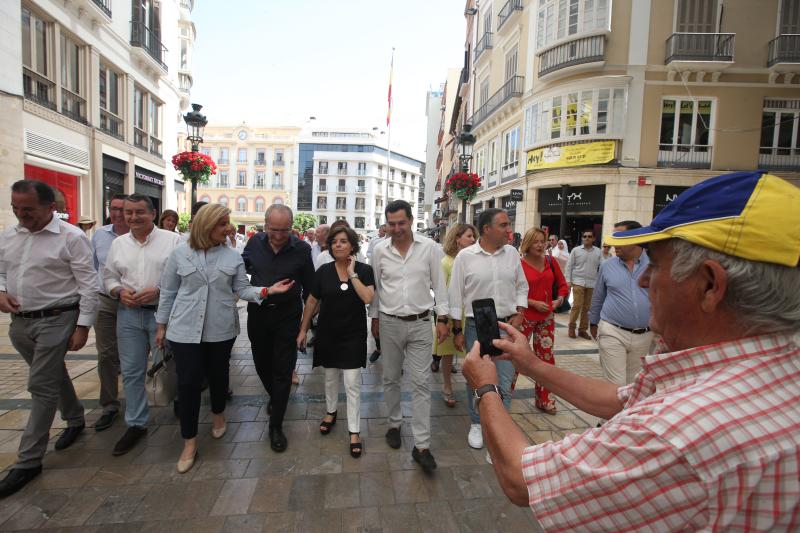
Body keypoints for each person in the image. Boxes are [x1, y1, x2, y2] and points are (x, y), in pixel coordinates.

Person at [460, 170, 800, 531]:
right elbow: (621, 400)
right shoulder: (776, 365)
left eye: (655, 263)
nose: (643, 278)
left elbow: (520, 478)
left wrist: (486, 388)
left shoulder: (677, 429)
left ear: (710, 285)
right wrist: (531, 364)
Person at [155, 204, 292, 473]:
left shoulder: (233, 257)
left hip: (220, 329)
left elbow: (241, 289)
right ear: (207, 225)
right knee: (188, 383)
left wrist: (268, 291)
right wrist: (161, 325)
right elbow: (168, 292)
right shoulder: (180, 254)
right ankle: (189, 441)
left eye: (228, 223)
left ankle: (218, 414)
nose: (228, 228)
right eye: (223, 224)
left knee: (218, 377)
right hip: (184, 330)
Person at [0, 180, 97, 498]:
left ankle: (28, 461)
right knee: (52, 374)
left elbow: (88, 283)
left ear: (50, 207)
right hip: (20, 323)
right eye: (16, 208)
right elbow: (1, 270)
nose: (20, 214)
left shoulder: (72, 237)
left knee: (40, 385)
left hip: (57, 319)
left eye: (27, 209)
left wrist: (83, 326)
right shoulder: (10, 235)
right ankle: (74, 417)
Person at [369, 200, 449, 472]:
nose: (397, 228)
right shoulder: (379, 251)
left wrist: (443, 319)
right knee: (390, 378)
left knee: (421, 382)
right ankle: (394, 423)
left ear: (411, 220)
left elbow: (440, 285)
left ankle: (422, 445)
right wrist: (375, 317)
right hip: (390, 323)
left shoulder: (430, 248)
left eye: (401, 223)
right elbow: (377, 289)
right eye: (392, 224)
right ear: (386, 223)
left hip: (421, 323)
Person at [104, 194, 181, 456]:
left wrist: (158, 289)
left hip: (163, 313)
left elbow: (182, 276)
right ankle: (136, 422)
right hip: (128, 314)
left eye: (139, 212)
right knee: (132, 371)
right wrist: (117, 291)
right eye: (128, 212)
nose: (133, 217)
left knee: (169, 364)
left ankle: (179, 401)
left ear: (153, 213)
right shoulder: (118, 244)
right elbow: (109, 277)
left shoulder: (172, 240)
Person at [448, 208, 528, 455]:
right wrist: (457, 330)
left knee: (504, 381)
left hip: (506, 326)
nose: (508, 230)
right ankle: (476, 423)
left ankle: (500, 433)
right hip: (476, 325)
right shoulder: (465, 257)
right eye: (503, 225)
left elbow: (521, 285)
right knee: (478, 379)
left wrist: (521, 309)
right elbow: (455, 295)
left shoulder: (512, 253)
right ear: (486, 229)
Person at [297, 226, 374, 458]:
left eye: (343, 241)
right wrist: (303, 330)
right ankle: (331, 412)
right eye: (334, 242)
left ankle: (354, 431)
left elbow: (368, 297)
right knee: (330, 377)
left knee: (351, 383)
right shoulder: (323, 272)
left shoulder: (364, 270)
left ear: (352, 245)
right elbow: (311, 302)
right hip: (328, 333)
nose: (338, 245)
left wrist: (352, 273)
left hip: (353, 334)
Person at [243, 204, 314, 453]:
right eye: (274, 229)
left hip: (288, 317)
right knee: (261, 363)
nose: (279, 235)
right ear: (265, 225)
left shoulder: (302, 250)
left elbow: (311, 291)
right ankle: (276, 396)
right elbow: (242, 276)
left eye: (284, 230)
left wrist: (305, 327)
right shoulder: (253, 244)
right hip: (258, 315)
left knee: (283, 370)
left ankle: (276, 426)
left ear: (291, 228)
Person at [589, 221, 653, 386]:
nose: (613, 243)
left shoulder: (654, 264)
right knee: (616, 386)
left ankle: (625, 412)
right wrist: (593, 322)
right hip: (612, 331)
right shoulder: (607, 266)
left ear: (636, 238)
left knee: (633, 386)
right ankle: (614, 411)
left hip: (644, 336)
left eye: (619, 237)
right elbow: (598, 296)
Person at [519, 228, 569, 415]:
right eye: (536, 241)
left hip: (546, 317)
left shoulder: (551, 261)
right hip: (524, 317)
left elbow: (563, 286)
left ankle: (544, 399)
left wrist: (559, 300)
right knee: (516, 358)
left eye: (543, 241)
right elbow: (513, 291)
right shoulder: (519, 264)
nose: (540, 245)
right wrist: (532, 302)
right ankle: (505, 396)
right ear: (527, 244)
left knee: (546, 359)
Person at [91, 194, 129, 432]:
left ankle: (142, 398)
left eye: (121, 209)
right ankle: (109, 405)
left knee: (135, 356)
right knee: (106, 354)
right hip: (106, 301)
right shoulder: (100, 235)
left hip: (137, 303)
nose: (116, 213)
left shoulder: (143, 236)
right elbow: (94, 268)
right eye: (113, 208)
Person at [431, 224, 476, 406]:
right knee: (448, 353)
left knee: (472, 352)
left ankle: (474, 386)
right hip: (450, 314)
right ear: (457, 238)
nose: (473, 240)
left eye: (474, 236)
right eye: (469, 236)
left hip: (471, 313)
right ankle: (447, 387)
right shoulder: (446, 262)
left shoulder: (473, 260)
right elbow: (441, 292)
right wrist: (444, 319)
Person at [564, 229, 602, 339]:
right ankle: (571, 327)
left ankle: (582, 330)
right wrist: (568, 281)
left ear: (594, 238)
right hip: (578, 282)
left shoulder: (598, 252)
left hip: (592, 283)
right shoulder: (576, 251)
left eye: (589, 236)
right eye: (585, 236)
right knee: (577, 305)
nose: (587, 238)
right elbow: (569, 266)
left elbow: (602, 267)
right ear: (582, 238)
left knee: (587, 308)